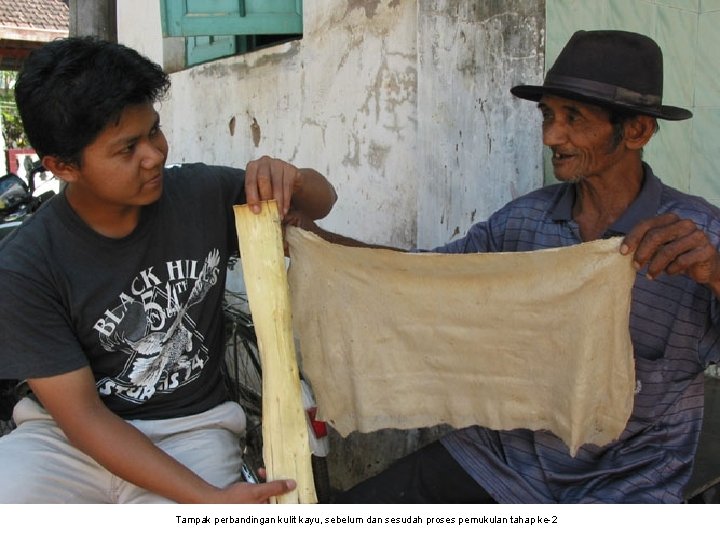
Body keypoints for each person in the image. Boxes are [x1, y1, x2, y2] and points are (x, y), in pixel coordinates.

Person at [293, 30, 720, 503]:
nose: (551, 136)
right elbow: (423, 281)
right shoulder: (525, 222)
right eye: (548, 115)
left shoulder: (698, 236)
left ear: (637, 130)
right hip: (499, 462)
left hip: (630, 483)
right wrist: (312, 240)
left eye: (573, 118)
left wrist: (716, 274)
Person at [0, 36, 336, 503]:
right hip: (63, 441)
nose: (154, 154)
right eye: (127, 148)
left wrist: (293, 179)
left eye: (153, 131)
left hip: (192, 431)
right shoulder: (25, 266)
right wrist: (205, 499)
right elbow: (83, 418)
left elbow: (321, 202)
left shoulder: (200, 194)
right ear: (63, 167)